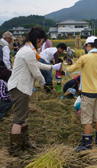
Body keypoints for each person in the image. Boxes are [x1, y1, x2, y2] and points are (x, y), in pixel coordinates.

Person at [7, 27, 62, 157]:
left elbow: (36, 65)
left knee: (23, 116)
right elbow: (35, 71)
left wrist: (52, 67)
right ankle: (14, 150)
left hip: (22, 87)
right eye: (42, 42)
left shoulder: (29, 50)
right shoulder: (28, 52)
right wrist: (42, 80)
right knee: (18, 119)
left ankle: (25, 142)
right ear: (37, 39)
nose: (42, 45)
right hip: (19, 87)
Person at [65, 36, 97, 151]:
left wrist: (66, 70)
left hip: (88, 93)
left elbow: (72, 68)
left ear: (88, 45)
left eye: (86, 46)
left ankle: (87, 144)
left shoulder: (84, 58)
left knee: (87, 119)